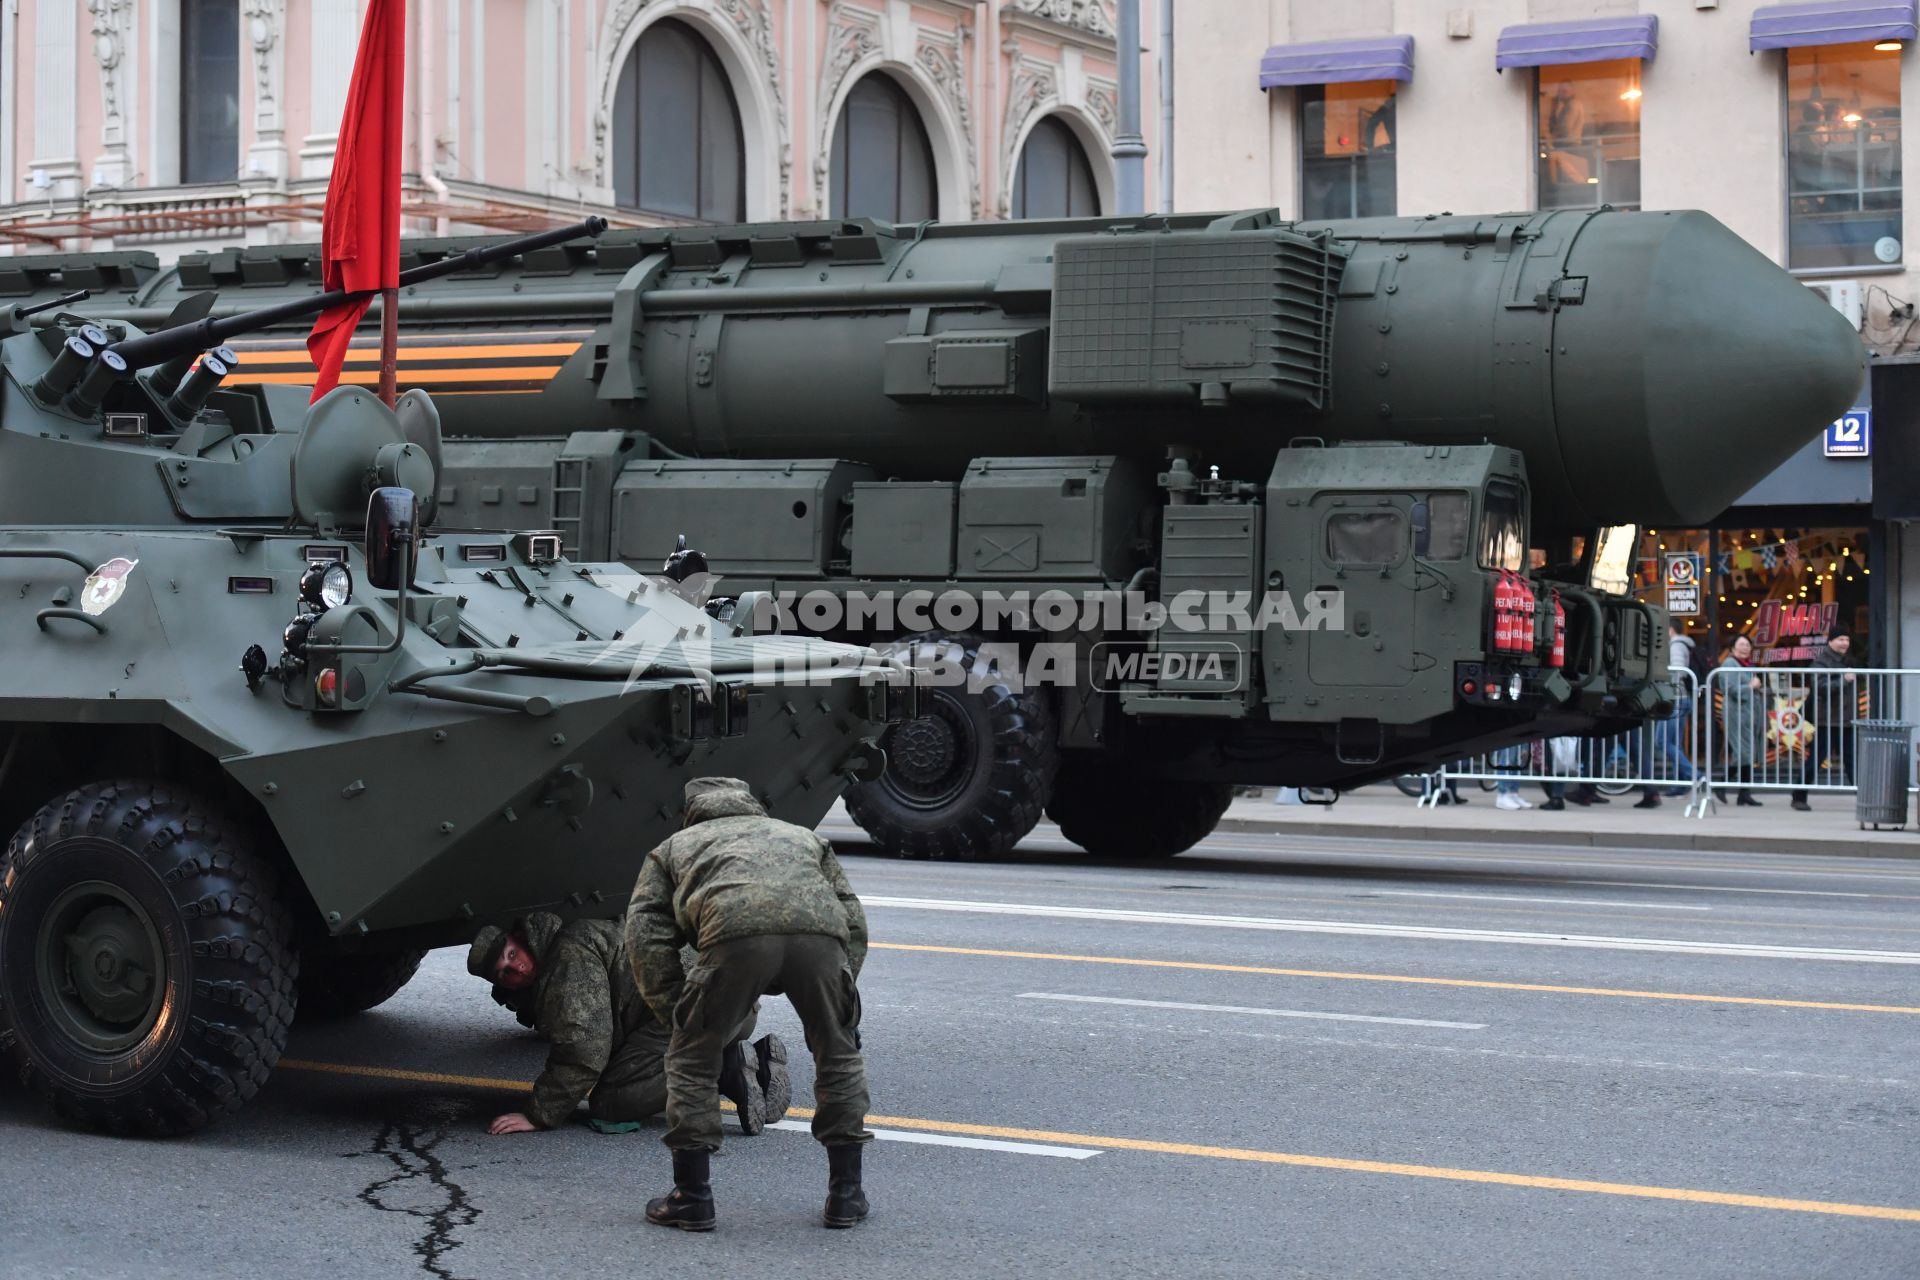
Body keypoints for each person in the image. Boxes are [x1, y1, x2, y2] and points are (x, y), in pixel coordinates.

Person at [627, 777, 872, 1233]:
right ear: (750, 804)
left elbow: (644, 935)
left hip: (732, 936)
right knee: (838, 1054)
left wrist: (676, 1013)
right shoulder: (802, 836)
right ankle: (846, 1195)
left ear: (693, 811)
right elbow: (852, 916)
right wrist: (843, 992)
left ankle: (693, 1198)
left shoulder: (673, 848)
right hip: (820, 938)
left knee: (691, 1060)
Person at [468, 912, 789, 1138]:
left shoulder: (564, 961)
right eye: (504, 972)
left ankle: (727, 1069)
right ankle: (755, 1060)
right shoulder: (585, 932)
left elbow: (585, 1051)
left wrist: (538, 1114)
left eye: (512, 953)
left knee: (610, 1103)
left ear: (522, 939)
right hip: (740, 1008)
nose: (516, 968)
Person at [1636, 620, 1703, 808]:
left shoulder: (1675, 645)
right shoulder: (1684, 644)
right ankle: (1681, 783)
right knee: (1673, 742)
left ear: (1670, 630)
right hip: (1682, 698)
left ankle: (1694, 776)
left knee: (1663, 741)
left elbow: (1678, 671)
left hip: (1675, 698)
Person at [1792, 625, 1859, 811]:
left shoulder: (1848, 660)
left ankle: (1863, 797)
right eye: (1840, 639)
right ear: (1830, 641)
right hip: (1827, 719)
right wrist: (1843, 681)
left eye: (1847, 639)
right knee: (1816, 759)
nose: (1845, 643)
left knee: (1852, 760)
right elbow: (1820, 687)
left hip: (1846, 719)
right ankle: (1799, 795)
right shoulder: (1821, 661)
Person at [1717, 634, 1767, 806]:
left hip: (1749, 715)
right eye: (1742, 644)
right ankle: (1721, 784)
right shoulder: (1730, 663)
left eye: (1748, 645)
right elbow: (1730, 689)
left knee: (1748, 753)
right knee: (1744, 753)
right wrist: (1750, 687)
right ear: (1732, 648)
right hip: (1736, 713)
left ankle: (1744, 794)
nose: (1746, 647)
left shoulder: (1747, 666)